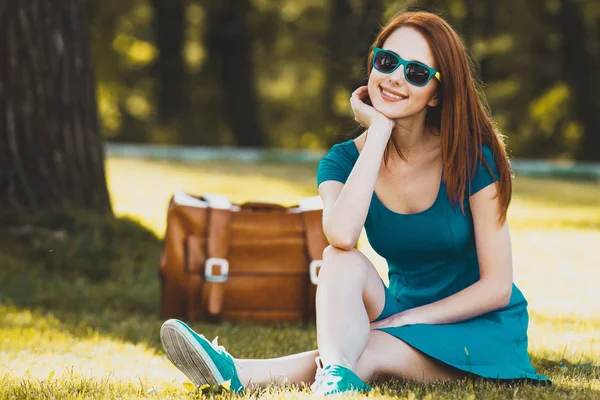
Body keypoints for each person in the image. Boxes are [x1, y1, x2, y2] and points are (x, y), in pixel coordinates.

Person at [159, 10, 550, 397]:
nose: (396, 77)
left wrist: (409, 320)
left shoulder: (472, 158)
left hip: (479, 326)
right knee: (339, 259)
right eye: (387, 61)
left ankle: (242, 373)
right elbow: (341, 236)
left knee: (367, 348)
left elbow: (496, 287)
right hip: (399, 312)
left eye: (415, 73)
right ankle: (328, 375)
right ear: (373, 65)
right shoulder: (342, 161)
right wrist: (379, 132)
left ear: (436, 95)